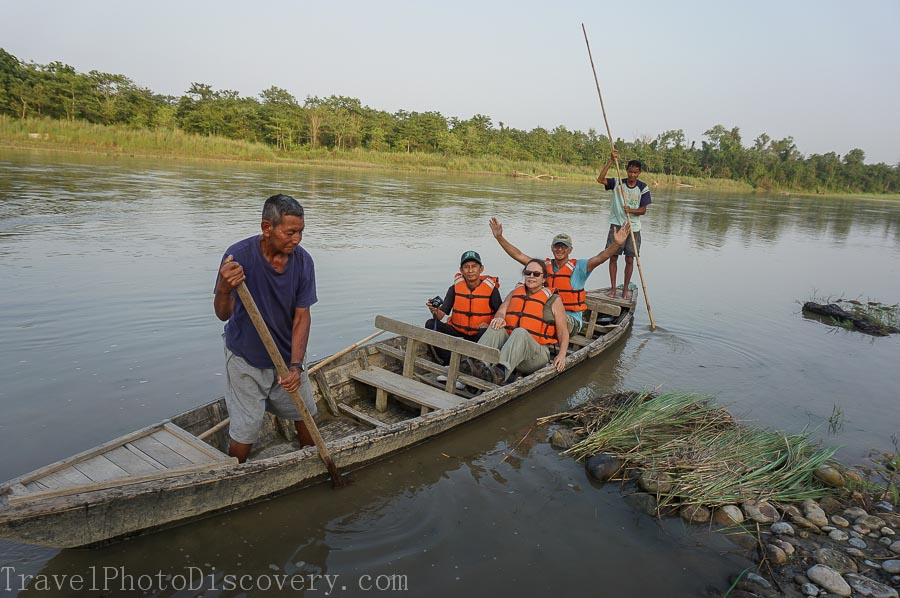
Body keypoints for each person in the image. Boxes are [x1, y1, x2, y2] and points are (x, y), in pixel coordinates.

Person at [213, 194, 318, 463]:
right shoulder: (238, 258)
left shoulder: (303, 262)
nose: (297, 239)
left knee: (305, 414)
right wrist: (225, 287)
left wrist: (296, 366)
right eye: (290, 232)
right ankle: (234, 476)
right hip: (246, 359)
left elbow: (302, 317)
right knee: (245, 430)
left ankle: (313, 460)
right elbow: (223, 314)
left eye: (301, 232)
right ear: (267, 228)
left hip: (286, 359)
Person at [489, 218, 630, 336]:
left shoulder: (579, 268)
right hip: (544, 315)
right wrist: (500, 238)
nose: (560, 249)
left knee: (534, 313)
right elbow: (519, 255)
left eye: (564, 247)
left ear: (570, 250)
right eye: (557, 246)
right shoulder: (543, 267)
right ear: (552, 248)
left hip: (570, 321)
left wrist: (616, 244)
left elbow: (601, 257)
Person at [470, 259, 569, 385]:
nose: (531, 276)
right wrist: (499, 317)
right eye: (528, 273)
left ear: (544, 279)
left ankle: (498, 373)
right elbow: (501, 312)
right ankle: (475, 365)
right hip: (511, 351)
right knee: (496, 327)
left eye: (536, 274)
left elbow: (563, 332)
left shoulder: (554, 300)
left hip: (535, 356)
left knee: (520, 332)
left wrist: (562, 354)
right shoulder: (515, 293)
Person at [425, 250, 502, 365]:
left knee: (489, 331)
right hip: (457, 331)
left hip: (479, 334)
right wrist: (434, 311)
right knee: (430, 323)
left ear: (481, 269)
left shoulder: (492, 291)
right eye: (466, 267)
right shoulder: (454, 289)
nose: (470, 270)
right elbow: (440, 316)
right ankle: (449, 362)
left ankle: (475, 363)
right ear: (461, 270)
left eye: (474, 267)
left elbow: (500, 314)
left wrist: (490, 325)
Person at [596, 149, 652, 300]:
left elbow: (643, 210)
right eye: (630, 172)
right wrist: (611, 160)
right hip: (616, 225)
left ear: (639, 172)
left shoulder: (643, 188)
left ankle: (625, 289)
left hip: (633, 228)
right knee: (612, 256)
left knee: (629, 259)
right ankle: (613, 288)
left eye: (635, 172)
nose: (632, 175)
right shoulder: (618, 182)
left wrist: (631, 210)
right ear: (626, 171)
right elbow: (600, 179)